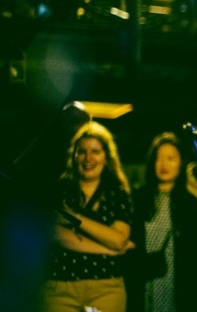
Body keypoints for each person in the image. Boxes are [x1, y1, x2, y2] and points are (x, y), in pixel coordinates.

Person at [42, 121, 133, 312]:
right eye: (82, 151)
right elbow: (57, 236)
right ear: (74, 156)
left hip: (106, 288)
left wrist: (74, 217)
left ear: (106, 157)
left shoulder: (117, 194)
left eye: (95, 151)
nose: (88, 158)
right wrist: (109, 250)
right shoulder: (59, 189)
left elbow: (118, 240)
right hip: (60, 288)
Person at [126, 132, 197, 312]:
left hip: (179, 283)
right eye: (158, 158)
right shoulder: (139, 198)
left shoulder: (189, 203)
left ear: (181, 163)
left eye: (170, 158)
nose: (163, 164)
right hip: (144, 283)